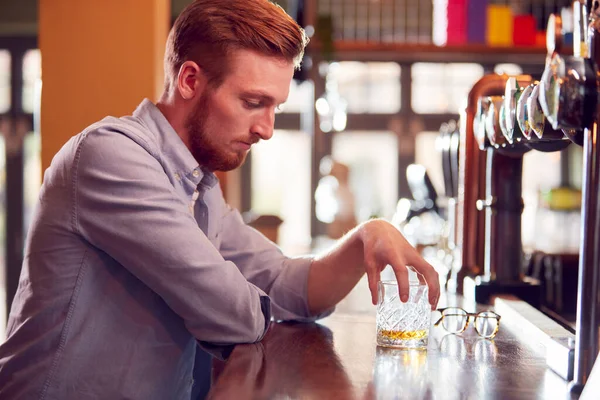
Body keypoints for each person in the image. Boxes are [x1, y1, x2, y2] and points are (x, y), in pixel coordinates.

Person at [0, 1, 439, 399]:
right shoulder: (111, 157)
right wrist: (252, 297)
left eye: (276, 109)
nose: (266, 129)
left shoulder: (198, 186)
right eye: (253, 102)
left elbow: (292, 288)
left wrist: (368, 236)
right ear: (190, 79)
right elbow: (232, 315)